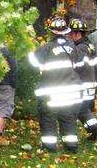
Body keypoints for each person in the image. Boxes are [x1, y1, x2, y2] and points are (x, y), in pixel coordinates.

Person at [29, 16, 87, 152]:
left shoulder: (46, 48)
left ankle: (49, 146)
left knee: (48, 119)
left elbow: (32, 61)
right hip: (72, 93)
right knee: (69, 119)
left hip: (51, 94)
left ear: (51, 32)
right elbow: (81, 65)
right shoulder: (73, 48)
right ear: (66, 32)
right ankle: (71, 145)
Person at [69, 18, 97, 141]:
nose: (70, 36)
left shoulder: (80, 48)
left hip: (83, 84)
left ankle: (95, 128)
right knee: (83, 109)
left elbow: (81, 64)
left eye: (72, 33)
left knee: (79, 109)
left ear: (77, 33)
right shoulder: (89, 45)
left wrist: (71, 73)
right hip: (90, 82)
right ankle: (94, 128)